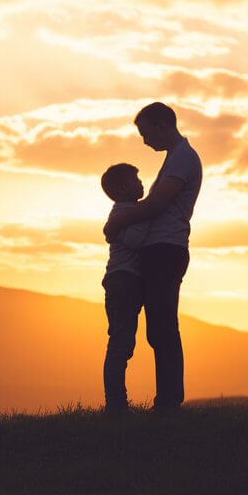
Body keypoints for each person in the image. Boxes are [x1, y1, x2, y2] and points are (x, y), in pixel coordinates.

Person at [103, 102, 202, 410]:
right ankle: (165, 401)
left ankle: (169, 402)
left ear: (162, 125)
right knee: (157, 328)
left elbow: (156, 205)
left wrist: (117, 222)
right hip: (157, 251)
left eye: (146, 133)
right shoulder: (174, 159)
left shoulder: (183, 158)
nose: (145, 141)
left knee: (162, 327)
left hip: (166, 250)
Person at [98, 163, 150, 413]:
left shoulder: (128, 212)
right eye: (134, 180)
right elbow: (136, 241)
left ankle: (117, 402)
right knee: (120, 343)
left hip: (125, 282)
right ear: (121, 188)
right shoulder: (122, 214)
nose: (141, 183)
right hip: (122, 282)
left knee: (123, 342)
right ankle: (116, 404)